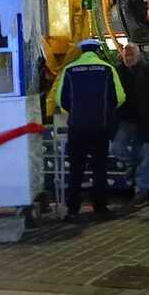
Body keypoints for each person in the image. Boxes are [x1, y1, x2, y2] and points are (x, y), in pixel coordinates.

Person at [55, 38, 125, 222]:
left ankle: (73, 210)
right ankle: (100, 208)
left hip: (77, 127)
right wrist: (106, 112)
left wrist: (75, 112)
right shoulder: (107, 69)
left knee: (76, 169)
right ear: (97, 51)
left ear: (81, 51)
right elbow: (120, 97)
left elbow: (60, 101)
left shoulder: (69, 70)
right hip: (100, 127)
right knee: (99, 168)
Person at [112, 43, 149, 208]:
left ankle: (141, 190)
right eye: (126, 56)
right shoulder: (118, 71)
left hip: (145, 119)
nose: (128, 59)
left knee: (145, 155)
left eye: (131, 56)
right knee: (118, 148)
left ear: (138, 56)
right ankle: (133, 167)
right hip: (126, 118)